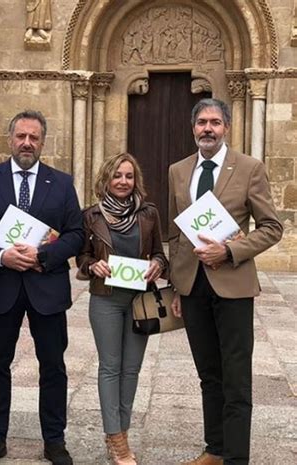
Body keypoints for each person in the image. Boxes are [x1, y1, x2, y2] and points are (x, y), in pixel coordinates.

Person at [0, 110, 83, 465]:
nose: (27, 143)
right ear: (10, 139)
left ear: (43, 141)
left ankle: (54, 439)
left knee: (53, 366)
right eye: (21, 136)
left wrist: (42, 256)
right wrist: (0, 257)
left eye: (34, 137)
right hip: (0, 287)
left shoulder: (61, 183)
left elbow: (76, 234)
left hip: (46, 288)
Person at [168, 98, 283, 465]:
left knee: (236, 378)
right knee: (208, 374)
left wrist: (231, 252)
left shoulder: (249, 168)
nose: (208, 129)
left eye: (215, 122)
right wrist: (175, 284)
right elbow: (175, 234)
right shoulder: (178, 170)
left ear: (226, 127)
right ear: (193, 128)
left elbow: (271, 228)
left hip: (232, 285)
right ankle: (214, 449)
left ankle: (236, 458)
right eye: (202, 122)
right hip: (192, 287)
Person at [76, 153, 168, 465]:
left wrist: (157, 264)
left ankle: (121, 433)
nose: (123, 182)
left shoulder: (149, 213)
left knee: (132, 369)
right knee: (110, 367)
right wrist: (94, 266)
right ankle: (116, 440)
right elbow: (82, 258)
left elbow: (159, 253)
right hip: (106, 299)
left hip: (139, 301)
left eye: (129, 176)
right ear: (106, 179)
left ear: (135, 180)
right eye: (117, 175)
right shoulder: (91, 215)